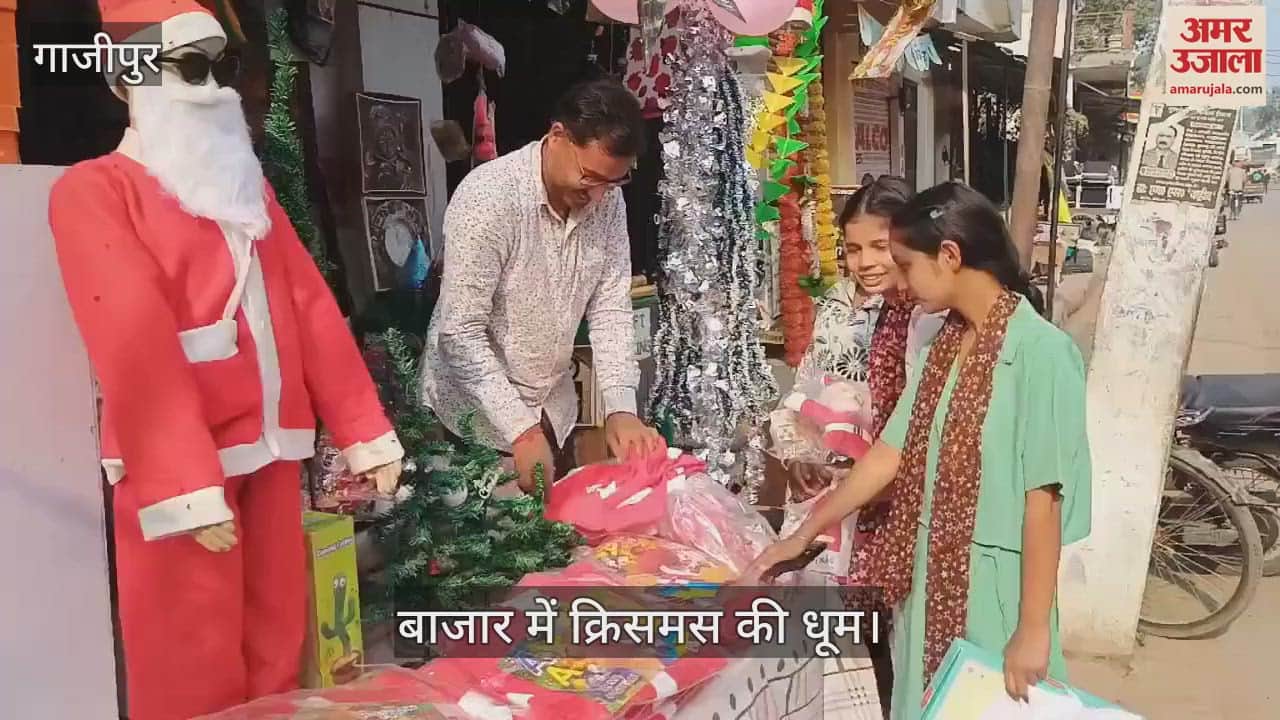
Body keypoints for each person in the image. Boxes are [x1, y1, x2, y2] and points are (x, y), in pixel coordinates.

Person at [47, 2, 405, 718]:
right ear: (129, 79)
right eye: (192, 67)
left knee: (277, 633)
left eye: (223, 66)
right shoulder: (96, 191)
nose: (216, 88)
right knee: (188, 651)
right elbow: (131, 341)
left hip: (271, 448)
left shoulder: (248, 189)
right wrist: (183, 482)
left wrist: (363, 430)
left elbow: (308, 306)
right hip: (184, 461)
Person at [744, 182, 1092, 717]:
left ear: (949, 256)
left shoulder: (1043, 353)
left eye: (907, 264)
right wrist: (804, 534)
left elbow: (1042, 501)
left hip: (996, 587)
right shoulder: (944, 343)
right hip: (928, 578)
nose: (899, 279)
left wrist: (1032, 628)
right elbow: (889, 454)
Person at [421, 78, 664, 493]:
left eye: (615, 182)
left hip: (551, 410)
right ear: (557, 137)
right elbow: (459, 334)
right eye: (590, 177)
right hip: (473, 421)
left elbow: (610, 310)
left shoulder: (606, 202)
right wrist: (520, 429)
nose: (601, 196)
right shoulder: (489, 198)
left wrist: (621, 408)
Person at [774, 176, 943, 717]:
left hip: (902, 502)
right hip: (841, 501)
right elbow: (807, 389)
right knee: (844, 643)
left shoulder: (930, 313)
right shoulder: (839, 310)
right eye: (852, 248)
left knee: (900, 640)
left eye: (879, 246)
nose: (866, 262)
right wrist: (798, 453)